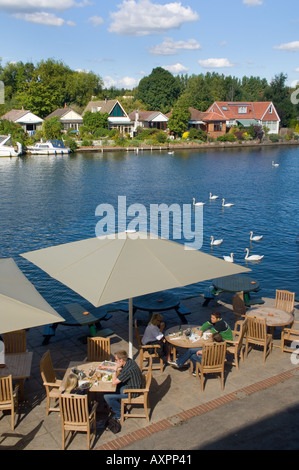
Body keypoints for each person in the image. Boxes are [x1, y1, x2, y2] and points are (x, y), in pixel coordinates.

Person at [103, 350, 142, 423]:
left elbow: (114, 382)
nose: (115, 361)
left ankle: (119, 413)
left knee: (107, 396)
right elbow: (120, 368)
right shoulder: (129, 361)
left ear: (121, 360)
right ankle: (113, 404)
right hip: (131, 385)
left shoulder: (128, 370)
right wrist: (105, 367)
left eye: (116, 360)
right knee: (111, 389)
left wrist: (114, 370)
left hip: (131, 392)